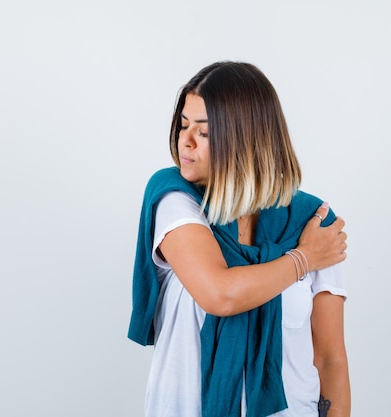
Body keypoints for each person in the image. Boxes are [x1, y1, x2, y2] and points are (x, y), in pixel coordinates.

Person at [128, 62, 350, 417]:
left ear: (245, 138)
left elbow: (330, 357)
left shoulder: (313, 221)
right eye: (184, 125)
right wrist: (303, 259)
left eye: (203, 132)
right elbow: (221, 293)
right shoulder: (175, 200)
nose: (185, 140)